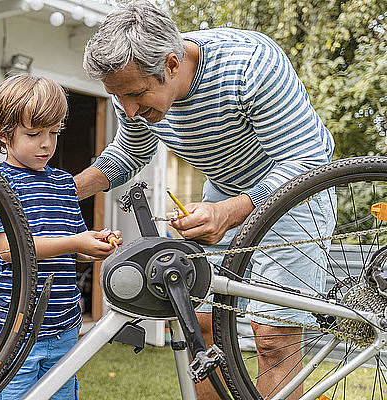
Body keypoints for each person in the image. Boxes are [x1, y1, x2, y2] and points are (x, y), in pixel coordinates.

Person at [76, 1, 335, 399]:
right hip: (224, 192)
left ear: (171, 65)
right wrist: (57, 193)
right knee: (201, 324)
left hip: (294, 196)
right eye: (118, 96)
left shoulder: (250, 65)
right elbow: (129, 153)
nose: (128, 109)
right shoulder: (131, 90)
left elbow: (306, 159)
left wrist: (228, 212)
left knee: (272, 339)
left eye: (136, 94)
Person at [0, 74, 122, 400]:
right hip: (12, 331)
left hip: (64, 326)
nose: (46, 143)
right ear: (4, 133)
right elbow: (7, 250)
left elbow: (76, 247)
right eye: (34, 134)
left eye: (54, 132)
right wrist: (76, 243)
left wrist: (95, 245)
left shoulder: (63, 183)